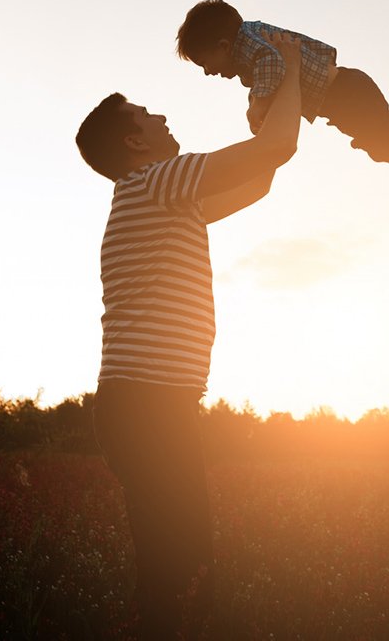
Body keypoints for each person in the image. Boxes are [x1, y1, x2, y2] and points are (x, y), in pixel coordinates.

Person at [75, 32, 304, 639]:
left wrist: (274, 98)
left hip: (157, 403)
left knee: (185, 559)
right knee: (177, 563)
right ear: (133, 141)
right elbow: (276, 147)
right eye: (146, 114)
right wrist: (292, 70)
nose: (161, 115)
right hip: (145, 403)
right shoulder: (158, 183)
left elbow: (262, 177)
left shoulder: (170, 197)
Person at [176, 0, 389, 212]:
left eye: (204, 63)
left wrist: (258, 105)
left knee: (379, 144)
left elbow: (274, 63)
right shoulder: (251, 44)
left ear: (223, 46)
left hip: (347, 93)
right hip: (345, 96)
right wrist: (257, 101)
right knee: (379, 138)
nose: (207, 72)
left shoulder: (251, 46)